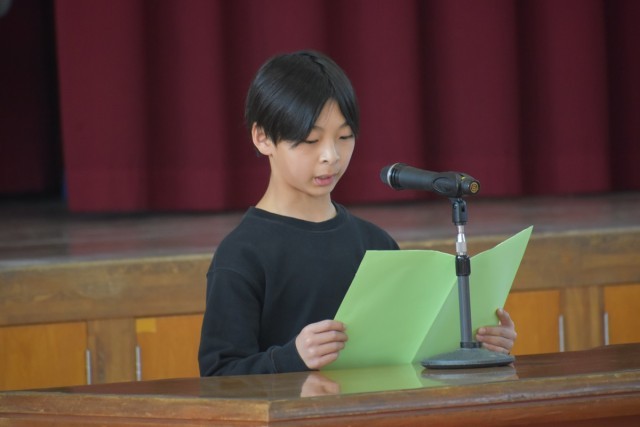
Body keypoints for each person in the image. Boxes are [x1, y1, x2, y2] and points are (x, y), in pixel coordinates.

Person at [198, 50, 516, 376]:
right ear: (262, 137)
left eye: (344, 137)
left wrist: (478, 344)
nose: (331, 156)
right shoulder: (241, 255)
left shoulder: (376, 244)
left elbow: (410, 352)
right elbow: (218, 375)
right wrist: (290, 358)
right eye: (310, 140)